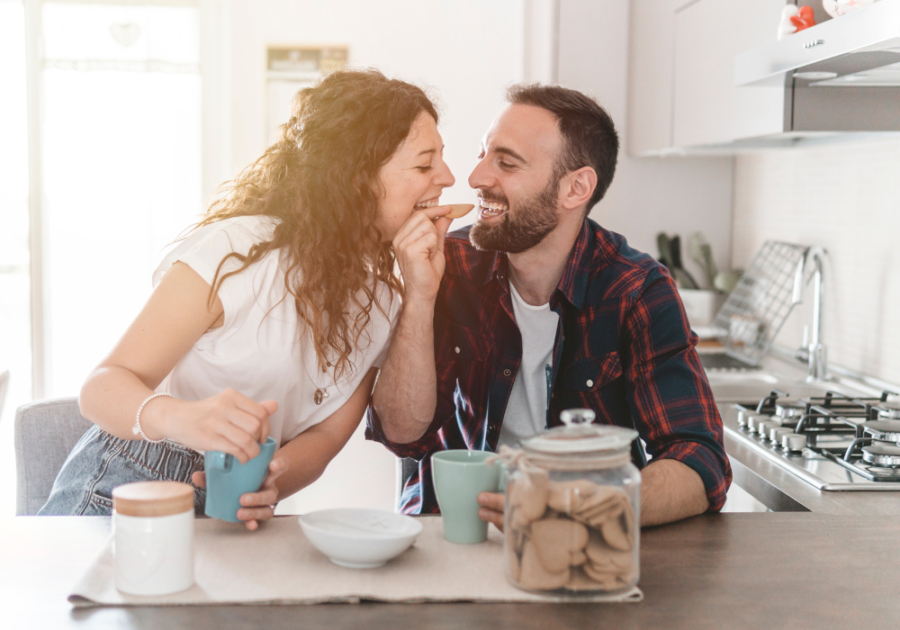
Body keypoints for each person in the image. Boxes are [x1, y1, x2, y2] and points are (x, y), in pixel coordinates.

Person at [40, 69, 456, 529]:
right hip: (124, 486)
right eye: (424, 165)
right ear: (357, 178)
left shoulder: (381, 302)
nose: (448, 177)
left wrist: (271, 483)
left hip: (234, 509)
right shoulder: (235, 251)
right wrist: (183, 418)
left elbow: (328, 436)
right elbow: (101, 388)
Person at [367, 83, 732, 528]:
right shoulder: (448, 267)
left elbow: (699, 462)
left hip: (579, 546)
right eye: (483, 155)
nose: (477, 177)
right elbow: (402, 433)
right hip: (451, 531)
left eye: (506, 163)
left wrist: (583, 507)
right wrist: (419, 296)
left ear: (576, 187)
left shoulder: (635, 289)